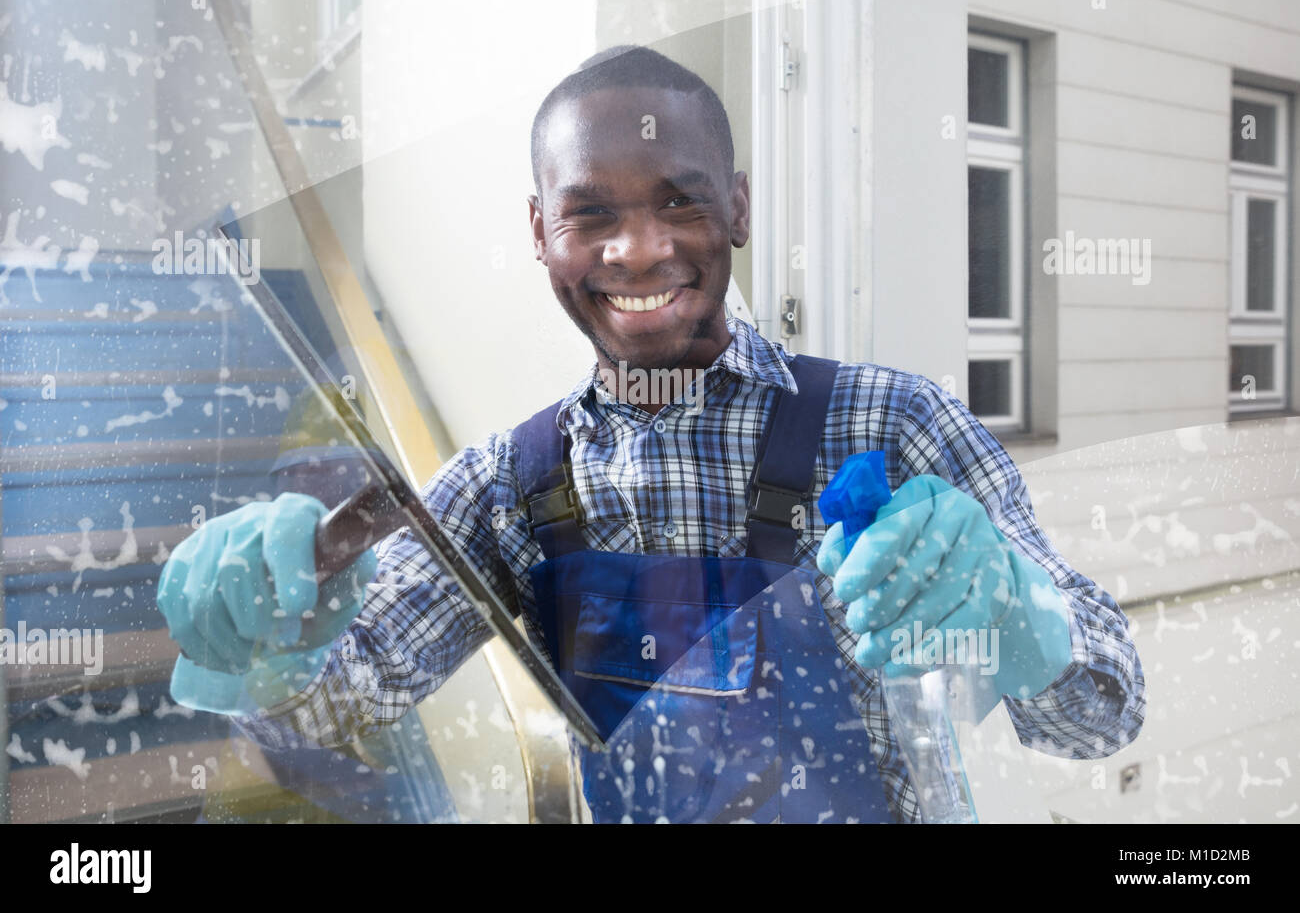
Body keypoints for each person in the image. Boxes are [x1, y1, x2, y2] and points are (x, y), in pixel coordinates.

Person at [157, 44, 1146, 824]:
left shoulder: (892, 423)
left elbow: (1106, 708)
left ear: (739, 208)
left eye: (680, 199)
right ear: (541, 232)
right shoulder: (507, 486)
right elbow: (338, 707)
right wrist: (265, 631)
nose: (640, 248)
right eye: (593, 215)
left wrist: (1023, 622)